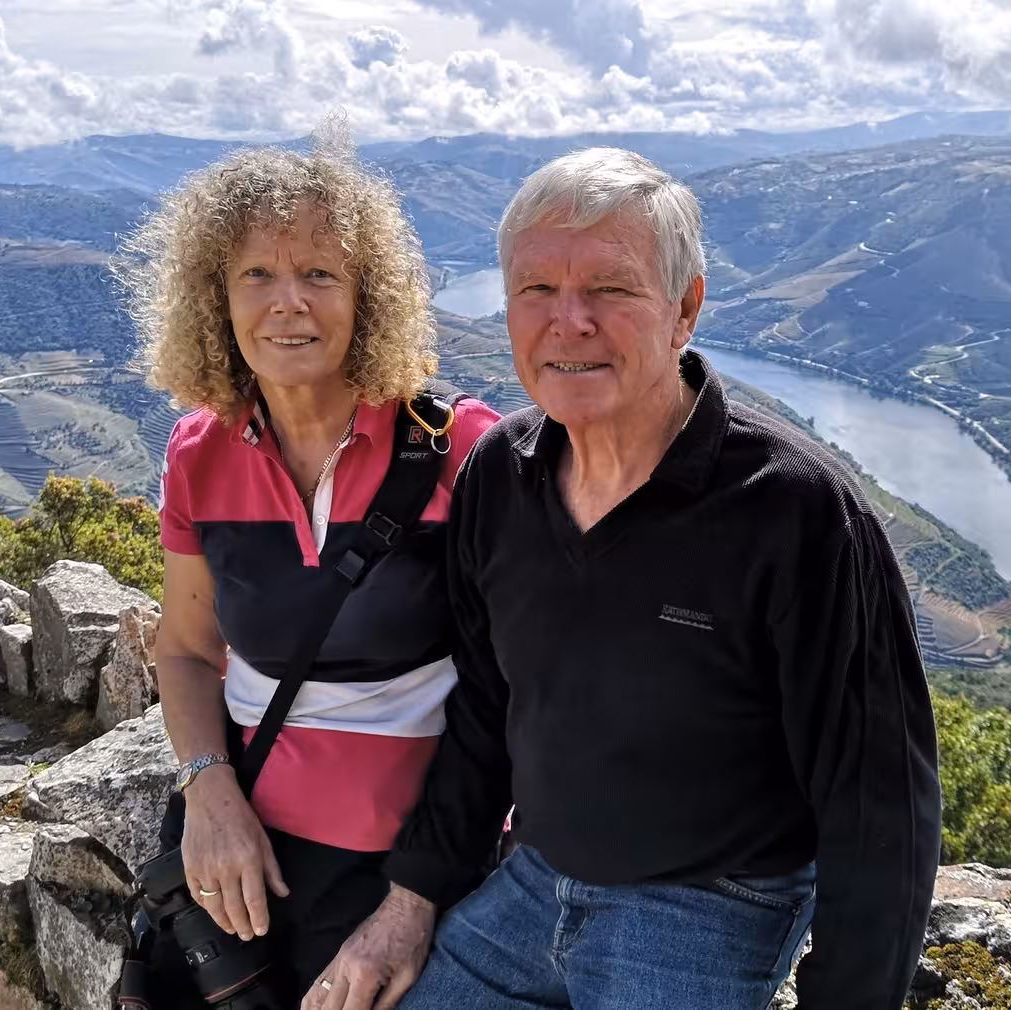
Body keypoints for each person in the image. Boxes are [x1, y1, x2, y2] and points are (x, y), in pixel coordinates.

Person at [301, 147, 940, 1010]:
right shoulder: (500, 475)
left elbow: (879, 801)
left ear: (685, 309)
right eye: (536, 290)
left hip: (709, 905)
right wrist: (410, 904)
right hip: (532, 882)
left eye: (610, 287)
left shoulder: (793, 510)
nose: (569, 322)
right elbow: (486, 709)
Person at [124, 126, 499, 1005]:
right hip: (239, 849)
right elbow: (184, 648)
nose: (287, 302)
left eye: (320, 273)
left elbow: (511, 691)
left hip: (398, 866)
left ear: (367, 295)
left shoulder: (460, 451)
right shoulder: (198, 454)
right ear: (215, 297)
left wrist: (416, 897)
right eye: (256, 273)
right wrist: (207, 793)